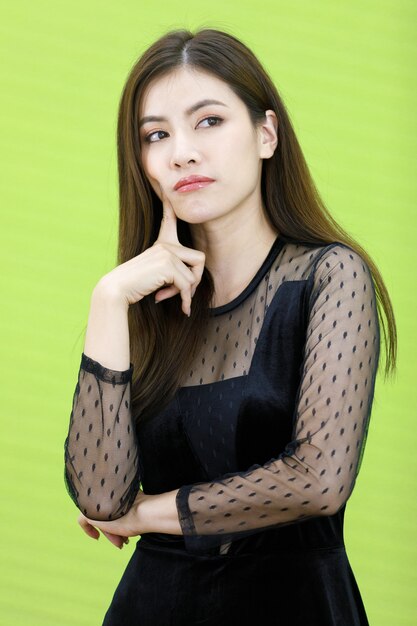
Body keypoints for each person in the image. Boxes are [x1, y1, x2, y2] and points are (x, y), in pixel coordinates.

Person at [63, 28, 397, 625]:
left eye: (208, 121)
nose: (181, 153)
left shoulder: (330, 276)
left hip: (295, 606)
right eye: (156, 135)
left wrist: (147, 514)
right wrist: (109, 299)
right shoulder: (143, 298)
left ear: (266, 134)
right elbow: (99, 497)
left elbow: (318, 479)